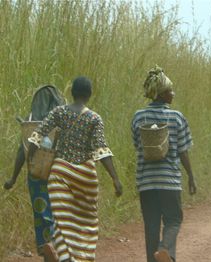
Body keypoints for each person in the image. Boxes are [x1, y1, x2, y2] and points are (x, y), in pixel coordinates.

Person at [27, 76, 123, 262]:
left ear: (72, 93)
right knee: (86, 223)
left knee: (61, 221)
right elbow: (101, 150)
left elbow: (38, 134)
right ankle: (79, 257)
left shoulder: (59, 112)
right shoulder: (95, 118)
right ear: (89, 95)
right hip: (85, 178)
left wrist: (31, 157)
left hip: (60, 173)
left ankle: (62, 254)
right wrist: (115, 179)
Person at [131, 66, 197, 262]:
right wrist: (191, 176)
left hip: (146, 182)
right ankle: (165, 248)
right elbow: (183, 151)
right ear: (162, 94)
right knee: (174, 220)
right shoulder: (176, 117)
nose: (173, 93)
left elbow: (138, 146)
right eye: (170, 90)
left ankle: (158, 255)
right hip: (169, 181)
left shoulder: (138, 117)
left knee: (151, 227)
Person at [4, 85, 65, 258]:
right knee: (60, 213)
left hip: (36, 176)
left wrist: (13, 179)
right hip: (59, 175)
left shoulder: (30, 122)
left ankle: (47, 249)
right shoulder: (64, 120)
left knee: (42, 214)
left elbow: (21, 152)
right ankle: (60, 248)